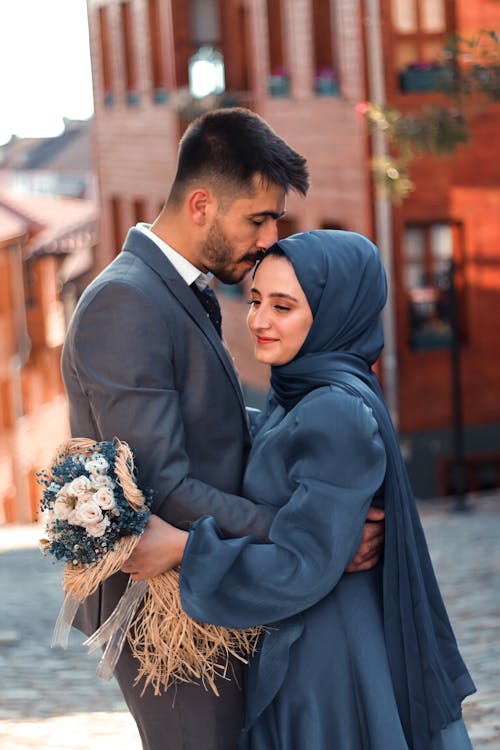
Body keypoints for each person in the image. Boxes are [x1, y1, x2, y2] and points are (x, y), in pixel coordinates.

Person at [61, 109, 384, 750]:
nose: (268, 239)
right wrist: (312, 540)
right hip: (169, 616)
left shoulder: (174, 289)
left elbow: (216, 427)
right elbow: (164, 484)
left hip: (214, 588)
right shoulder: (127, 302)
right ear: (203, 203)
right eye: (257, 219)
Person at [128, 230, 476, 750]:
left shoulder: (334, 408)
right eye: (256, 300)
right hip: (320, 640)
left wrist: (179, 549)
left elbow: (300, 565)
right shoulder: (303, 391)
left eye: (284, 306)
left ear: (333, 312)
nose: (259, 320)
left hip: (331, 659)